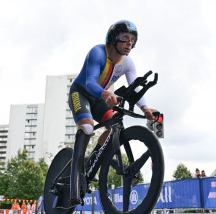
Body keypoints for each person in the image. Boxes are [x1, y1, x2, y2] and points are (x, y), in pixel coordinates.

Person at [67, 20, 158, 206]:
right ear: (113, 38)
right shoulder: (97, 52)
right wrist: (105, 93)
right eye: (125, 38)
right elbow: (90, 82)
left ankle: (92, 160)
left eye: (132, 40)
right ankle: (74, 180)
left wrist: (145, 108)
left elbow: (134, 89)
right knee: (86, 126)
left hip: (100, 97)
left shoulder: (128, 63)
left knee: (114, 124)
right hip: (81, 92)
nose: (129, 43)